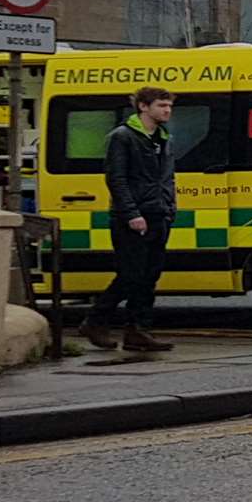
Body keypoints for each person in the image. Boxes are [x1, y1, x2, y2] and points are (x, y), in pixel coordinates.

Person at [81, 87, 177, 354]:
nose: (167, 111)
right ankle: (95, 320)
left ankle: (138, 330)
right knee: (130, 275)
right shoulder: (123, 137)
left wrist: (170, 208)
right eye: (161, 105)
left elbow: (167, 177)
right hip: (133, 218)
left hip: (159, 213)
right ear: (143, 107)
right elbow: (117, 179)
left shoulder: (164, 138)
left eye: (169, 106)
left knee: (150, 276)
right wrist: (132, 214)